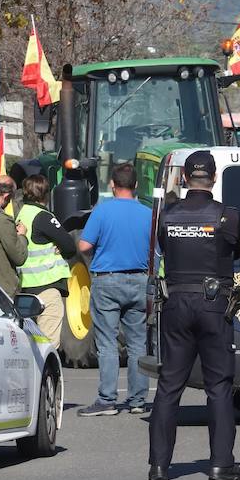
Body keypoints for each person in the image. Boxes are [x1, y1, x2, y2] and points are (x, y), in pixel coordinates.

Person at [147, 150, 240, 480]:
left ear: (184, 178)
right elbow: (238, 250)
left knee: (169, 385)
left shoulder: (167, 215)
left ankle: (159, 465)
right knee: (218, 385)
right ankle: (221, 464)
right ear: (214, 178)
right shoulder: (228, 216)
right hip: (213, 304)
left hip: (176, 302)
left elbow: (163, 247)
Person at [76, 162, 153, 418]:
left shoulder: (102, 211)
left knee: (107, 343)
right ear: (136, 185)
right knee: (138, 343)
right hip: (140, 280)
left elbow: (84, 246)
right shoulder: (148, 213)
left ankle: (107, 400)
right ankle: (138, 400)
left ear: (112, 184)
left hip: (107, 281)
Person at [15, 173, 77, 349]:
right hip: (46, 287)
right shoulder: (43, 216)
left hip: (26, 288)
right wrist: (60, 247)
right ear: (46, 194)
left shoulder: (21, 215)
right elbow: (70, 246)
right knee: (48, 346)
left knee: (33, 345)